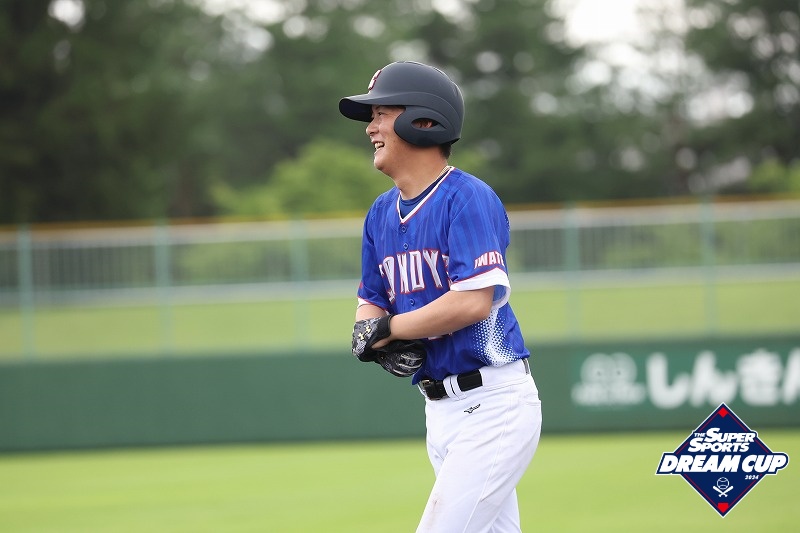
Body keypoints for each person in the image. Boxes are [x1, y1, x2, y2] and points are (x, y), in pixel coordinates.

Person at [340, 61, 542, 533]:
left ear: (424, 121)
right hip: (440, 410)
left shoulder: (466, 197)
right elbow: (371, 300)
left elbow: (472, 301)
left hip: (493, 403)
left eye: (381, 114)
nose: (370, 127)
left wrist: (389, 329)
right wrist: (371, 336)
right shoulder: (380, 214)